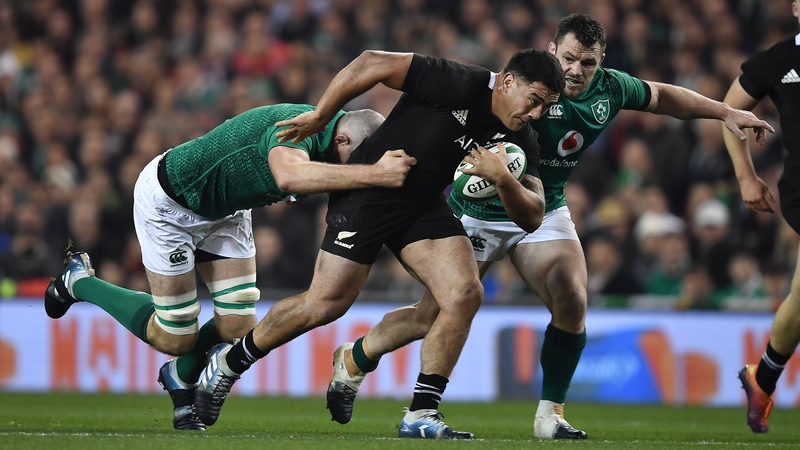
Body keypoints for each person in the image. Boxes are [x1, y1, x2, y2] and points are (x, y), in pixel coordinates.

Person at [323, 13, 775, 440]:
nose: (577, 70)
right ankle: (356, 356)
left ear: (602, 62)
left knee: (573, 297)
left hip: (543, 208)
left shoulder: (611, 91)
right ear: (551, 50)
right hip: (475, 210)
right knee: (430, 316)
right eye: (569, 59)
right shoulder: (522, 86)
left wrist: (722, 111)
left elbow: (665, 97)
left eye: (589, 62)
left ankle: (550, 416)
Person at [192, 48, 566, 439]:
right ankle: (231, 362)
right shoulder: (459, 81)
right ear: (508, 82)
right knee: (324, 304)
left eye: (545, 107)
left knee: (465, 294)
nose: (535, 114)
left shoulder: (520, 137)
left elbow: (534, 214)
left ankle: (421, 413)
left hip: (420, 205)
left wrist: (504, 179)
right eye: (535, 101)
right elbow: (373, 61)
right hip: (369, 189)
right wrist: (321, 115)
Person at [43, 103, 416, 431]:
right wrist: (375, 174)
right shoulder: (296, 128)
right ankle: (80, 282)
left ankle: (180, 375)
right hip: (171, 205)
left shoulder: (326, 135)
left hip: (226, 213)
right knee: (175, 336)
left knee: (237, 326)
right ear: (344, 141)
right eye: (358, 160)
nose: (356, 169)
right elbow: (289, 175)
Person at [722, 0, 800, 434]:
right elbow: (729, 112)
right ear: (795, 8)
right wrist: (746, 176)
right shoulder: (778, 60)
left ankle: (762, 379)